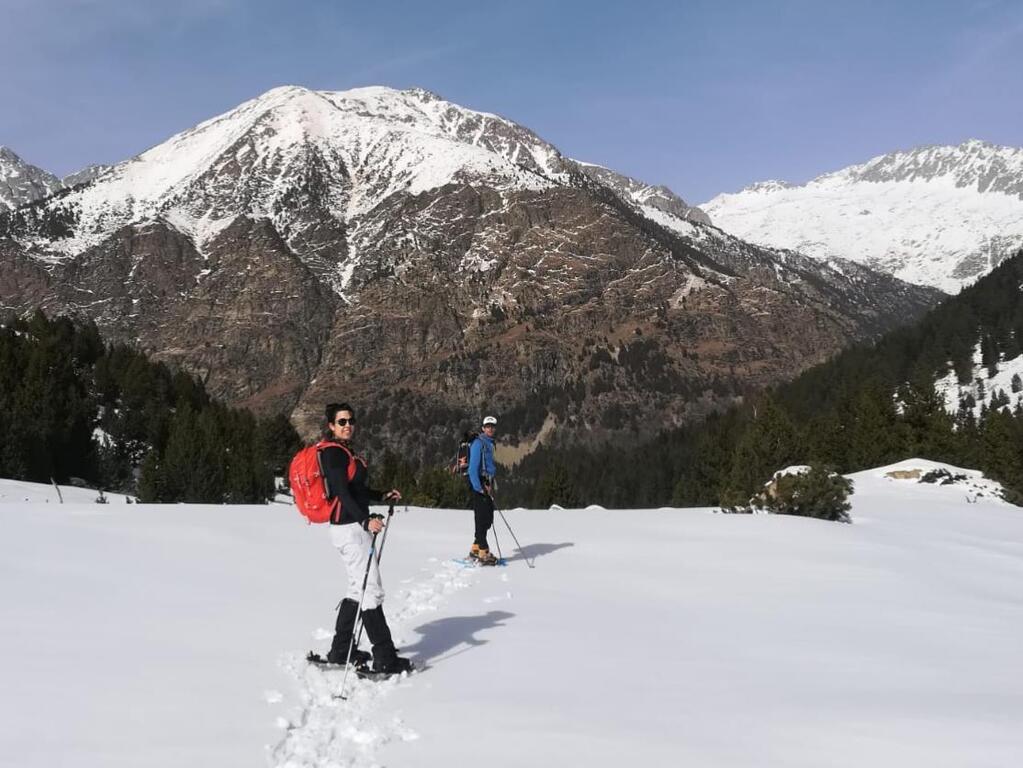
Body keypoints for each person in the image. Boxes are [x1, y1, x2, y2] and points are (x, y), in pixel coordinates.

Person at [320, 402, 411, 673]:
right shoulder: (334, 454)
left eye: (351, 420)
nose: (348, 425)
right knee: (371, 590)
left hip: (350, 528)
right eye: (342, 422)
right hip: (350, 529)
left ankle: (340, 651)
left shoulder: (345, 452)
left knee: (355, 590)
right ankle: (385, 658)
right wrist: (364, 520)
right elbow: (341, 493)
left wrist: (381, 494)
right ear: (331, 426)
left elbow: (356, 490)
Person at [467, 415, 499, 565]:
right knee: (482, 519)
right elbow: (473, 469)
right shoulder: (478, 444)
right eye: (488, 426)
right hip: (480, 485)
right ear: (483, 428)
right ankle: (483, 552)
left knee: (487, 519)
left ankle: (475, 548)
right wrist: (479, 488)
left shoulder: (489, 443)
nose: (490, 428)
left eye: (492, 426)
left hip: (487, 484)